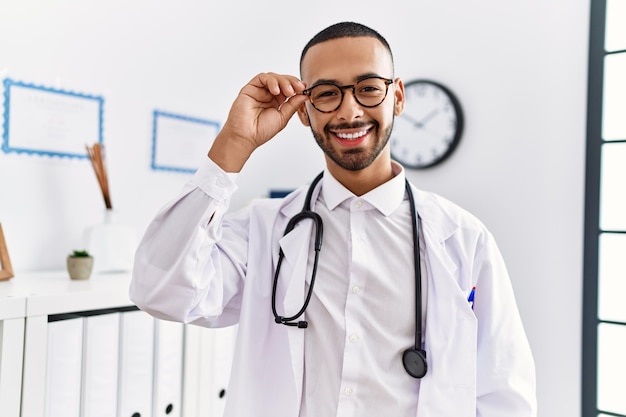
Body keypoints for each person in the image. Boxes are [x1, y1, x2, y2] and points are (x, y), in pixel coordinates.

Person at [130, 21, 537, 417]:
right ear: (305, 111)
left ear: (397, 97)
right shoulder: (265, 230)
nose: (350, 110)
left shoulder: (463, 239)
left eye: (368, 89)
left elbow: (504, 390)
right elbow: (161, 291)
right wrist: (232, 146)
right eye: (326, 94)